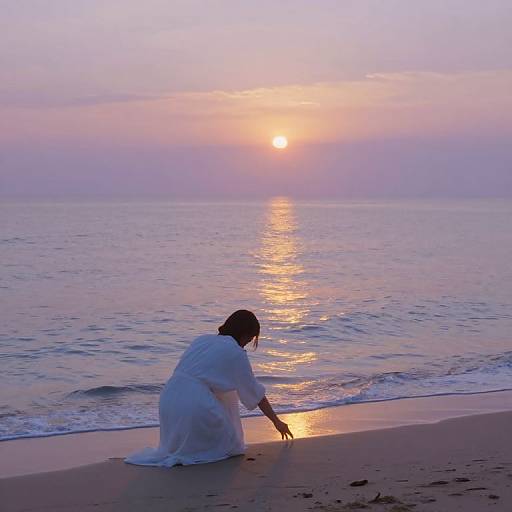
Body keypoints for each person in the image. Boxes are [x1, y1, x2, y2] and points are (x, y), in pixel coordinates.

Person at [125, 309, 293, 467]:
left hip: (168, 401)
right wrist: (276, 422)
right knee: (231, 446)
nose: (247, 344)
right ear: (245, 334)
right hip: (194, 406)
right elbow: (255, 394)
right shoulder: (235, 352)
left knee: (225, 388)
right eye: (249, 339)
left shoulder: (202, 340)